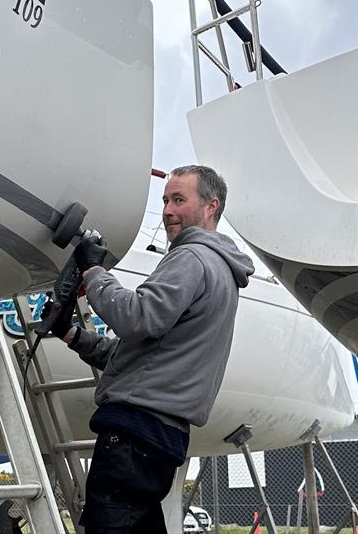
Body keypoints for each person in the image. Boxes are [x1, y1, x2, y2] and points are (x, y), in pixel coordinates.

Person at [47, 164, 254, 533]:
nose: (168, 211)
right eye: (165, 200)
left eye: (179, 199)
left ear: (211, 207)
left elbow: (136, 318)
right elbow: (142, 354)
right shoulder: (221, 272)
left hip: (134, 435)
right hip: (159, 439)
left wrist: (94, 272)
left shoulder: (191, 257)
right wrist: (71, 335)